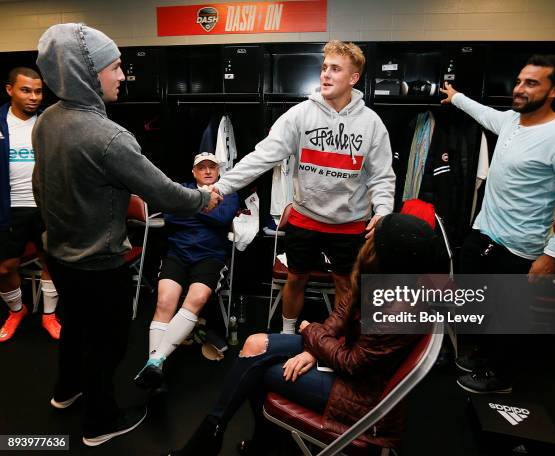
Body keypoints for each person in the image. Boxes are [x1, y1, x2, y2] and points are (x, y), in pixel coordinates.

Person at [32, 23, 220, 446]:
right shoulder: (109, 136)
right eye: (116, 67)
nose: (123, 76)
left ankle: (66, 391)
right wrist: (204, 198)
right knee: (109, 344)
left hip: (60, 257)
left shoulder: (47, 120)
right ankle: (100, 423)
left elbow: (40, 187)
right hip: (99, 263)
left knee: (75, 327)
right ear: (87, 72)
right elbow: (164, 193)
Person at [165, 213, 446, 456]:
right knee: (254, 344)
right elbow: (344, 311)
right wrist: (314, 347)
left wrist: (311, 333)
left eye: (375, 236)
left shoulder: (401, 307)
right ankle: (218, 433)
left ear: (389, 256)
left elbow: (352, 363)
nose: (367, 237)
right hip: (346, 360)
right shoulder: (389, 278)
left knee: (260, 371)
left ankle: (250, 443)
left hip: (360, 397)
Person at [213, 40, 395, 335]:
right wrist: (221, 187)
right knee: (295, 278)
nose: (326, 74)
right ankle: (287, 334)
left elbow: (382, 175)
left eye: (335, 69)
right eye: (324, 67)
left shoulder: (372, 123)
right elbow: (261, 156)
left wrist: (384, 211)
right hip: (305, 216)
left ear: (353, 78)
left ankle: (339, 340)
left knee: (345, 285)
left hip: (349, 223)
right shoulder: (300, 115)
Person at [440, 54, 555, 393]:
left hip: (521, 247)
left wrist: (553, 255)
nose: (520, 89)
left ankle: (501, 377)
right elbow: (484, 113)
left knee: (507, 318)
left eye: (532, 83)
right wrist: (456, 97)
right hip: (484, 235)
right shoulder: (512, 121)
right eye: (520, 81)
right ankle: (484, 356)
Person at [134, 152, 240, 391]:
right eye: (201, 168)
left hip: (210, 256)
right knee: (164, 302)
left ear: (219, 170)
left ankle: (154, 362)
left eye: (212, 167)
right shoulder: (181, 188)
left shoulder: (228, 191)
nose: (207, 171)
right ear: (194, 172)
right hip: (178, 253)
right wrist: (204, 207)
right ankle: (156, 367)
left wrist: (190, 209)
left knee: (197, 299)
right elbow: (171, 215)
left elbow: (222, 218)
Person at [0, 67, 61, 342]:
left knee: (51, 260)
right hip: (9, 207)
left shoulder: (49, 122)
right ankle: (17, 309)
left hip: (46, 205)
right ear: (10, 90)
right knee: (4, 267)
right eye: (26, 90)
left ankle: (49, 315)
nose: (34, 97)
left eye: (38, 91)